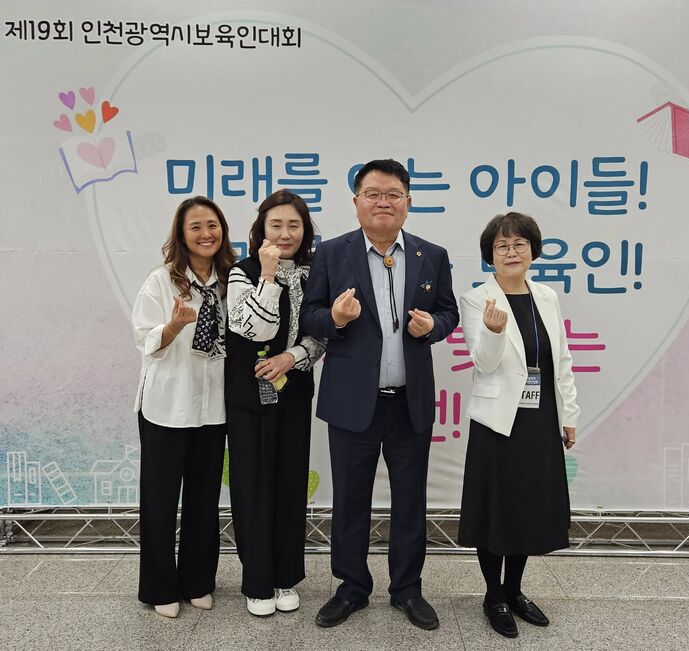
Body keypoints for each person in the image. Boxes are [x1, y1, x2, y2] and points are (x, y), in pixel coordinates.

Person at [300, 159, 459, 631]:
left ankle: (407, 589)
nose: (383, 202)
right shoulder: (332, 253)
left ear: (408, 202)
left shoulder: (432, 255)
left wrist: (433, 327)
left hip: (409, 401)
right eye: (373, 194)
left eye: (393, 194)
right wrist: (336, 319)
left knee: (410, 501)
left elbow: (449, 313)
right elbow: (309, 315)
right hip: (353, 403)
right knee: (350, 501)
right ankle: (351, 587)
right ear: (356, 202)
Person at [457, 212, 579, 639]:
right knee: (496, 508)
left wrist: (569, 415)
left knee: (527, 506)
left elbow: (560, 359)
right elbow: (483, 362)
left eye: (519, 244)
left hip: (539, 417)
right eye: (502, 246)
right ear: (490, 255)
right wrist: (493, 331)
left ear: (532, 250)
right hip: (497, 421)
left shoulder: (546, 295)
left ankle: (515, 590)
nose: (511, 252)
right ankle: (494, 596)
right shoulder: (478, 299)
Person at [132, 196, 235, 618]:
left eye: (212, 225)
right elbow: (145, 340)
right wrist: (173, 326)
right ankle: (159, 587)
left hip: (213, 408)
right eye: (196, 227)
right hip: (167, 406)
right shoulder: (161, 281)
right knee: (159, 501)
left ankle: (197, 580)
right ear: (181, 234)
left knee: (204, 499)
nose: (206, 234)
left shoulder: (232, 281)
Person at [225, 190, 325, 617]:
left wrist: (293, 357)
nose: (286, 233)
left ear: (305, 231)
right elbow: (253, 330)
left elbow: (322, 334)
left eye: (294, 225)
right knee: (252, 486)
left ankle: (285, 576)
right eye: (276, 225)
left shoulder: (315, 273)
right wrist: (268, 275)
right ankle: (257, 582)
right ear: (261, 229)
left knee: (289, 484)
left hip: (294, 392)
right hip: (249, 397)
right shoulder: (241, 272)